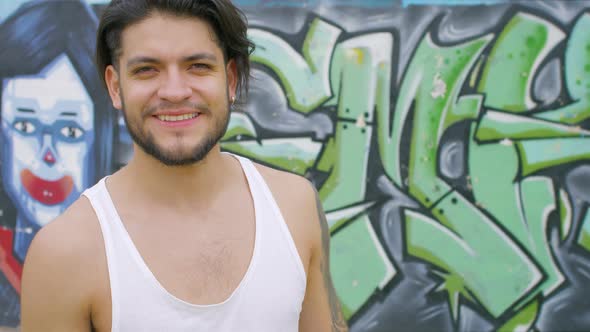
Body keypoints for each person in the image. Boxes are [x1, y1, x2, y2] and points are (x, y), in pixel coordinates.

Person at [21, 0, 348, 331]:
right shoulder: (64, 252)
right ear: (116, 87)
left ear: (231, 79)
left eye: (198, 66)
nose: (175, 92)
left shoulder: (294, 204)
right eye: (147, 70)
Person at [0, 1, 115, 327]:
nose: (46, 155)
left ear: (100, 137)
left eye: (69, 131)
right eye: (24, 126)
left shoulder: (124, 260)